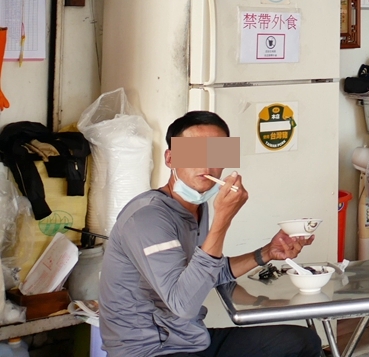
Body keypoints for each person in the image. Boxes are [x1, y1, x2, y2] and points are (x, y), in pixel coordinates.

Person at [99, 111, 323, 357]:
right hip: (151, 350)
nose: (206, 165)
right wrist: (222, 220)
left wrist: (266, 252)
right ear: (170, 158)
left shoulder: (198, 207)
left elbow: (208, 273)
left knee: (302, 341)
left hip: (192, 341)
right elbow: (182, 304)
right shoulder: (147, 217)